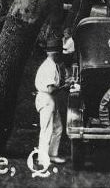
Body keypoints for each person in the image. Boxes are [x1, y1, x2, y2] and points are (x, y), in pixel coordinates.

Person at [35, 38, 67, 168]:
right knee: (46, 129)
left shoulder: (52, 64)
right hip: (46, 98)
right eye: (59, 52)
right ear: (55, 53)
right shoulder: (49, 66)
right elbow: (50, 89)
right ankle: (42, 158)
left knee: (58, 127)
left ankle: (52, 154)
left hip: (50, 99)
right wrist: (65, 86)